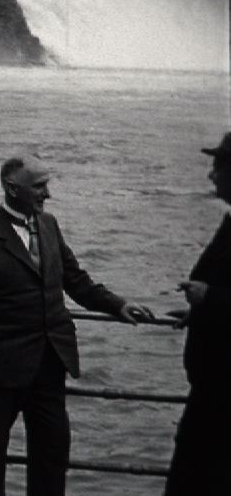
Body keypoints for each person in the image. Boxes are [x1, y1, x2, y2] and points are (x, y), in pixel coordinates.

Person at [0, 154, 154, 496]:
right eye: (40, 186)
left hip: (50, 363)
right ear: (12, 189)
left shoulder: (49, 226)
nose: (48, 194)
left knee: (52, 454)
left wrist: (118, 305)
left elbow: (75, 280)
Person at [164, 133, 231, 496]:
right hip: (211, 387)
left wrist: (212, 299)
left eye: (219, 165)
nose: (211, 175)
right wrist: (200, 314)